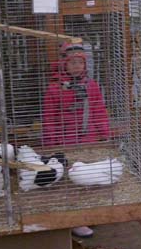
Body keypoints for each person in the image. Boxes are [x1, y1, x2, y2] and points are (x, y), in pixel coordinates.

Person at [41, 41, 111, 238]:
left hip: (88, 139)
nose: (77, 66)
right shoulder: (54, 88)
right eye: (72, 63)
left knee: (89, 178)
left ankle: (89, 213)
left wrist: (104, 132)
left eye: (80, 62)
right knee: (70, 181)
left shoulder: (91, 85)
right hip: (65, 141)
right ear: (63, 64)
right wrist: (51, 142)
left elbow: (99, 110)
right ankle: (75, 220)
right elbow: (48, 117)